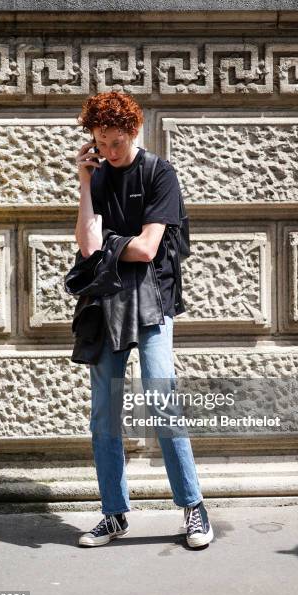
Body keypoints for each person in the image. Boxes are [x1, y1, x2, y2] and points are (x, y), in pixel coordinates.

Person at [74, 91, 213, 549]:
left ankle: (194, 507)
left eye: (115, 141)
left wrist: (108, 240)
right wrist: (83, 182)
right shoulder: (97, 177)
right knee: (104, 414)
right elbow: (85, 245)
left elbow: (148, 249)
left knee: (161, 398)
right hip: (106, 301)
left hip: (152, 301)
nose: (110, 151)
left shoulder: (159, 174)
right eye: (101, 142)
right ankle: (113, 514)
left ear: (133, 132)